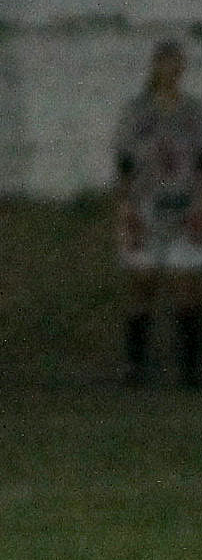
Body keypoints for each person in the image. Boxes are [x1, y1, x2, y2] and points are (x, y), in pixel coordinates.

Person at [112, 39, 202, 386]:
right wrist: (126, 209)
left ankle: (190, 369)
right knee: (142, 283)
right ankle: (135, 366)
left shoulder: (193, 113)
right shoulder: (137, 112)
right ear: (155, 67)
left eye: (177, 63)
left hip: (184, 205)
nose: (171, 69)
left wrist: (199, 205)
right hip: (146, 206)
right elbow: (124, 164)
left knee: (188, 287)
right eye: (165, 62)